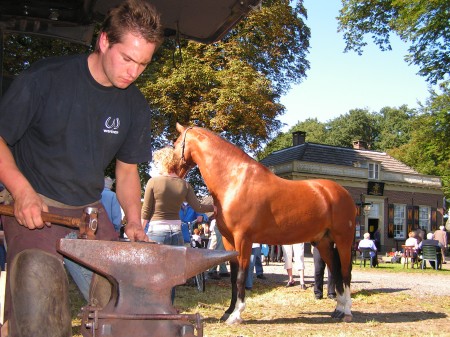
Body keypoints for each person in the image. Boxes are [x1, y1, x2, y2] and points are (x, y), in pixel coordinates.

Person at [0, 0, 163, 334]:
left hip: (88, 211)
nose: (133, 72)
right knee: (39, 295)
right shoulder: (43, 79)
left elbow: (127, 172)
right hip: (35, 204)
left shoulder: (135, 106)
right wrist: (22, 192)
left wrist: (133, 222)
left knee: (123, 300)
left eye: (142, 64)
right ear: (104, 41)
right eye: (127, 58)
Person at [141, 146, 215, 302]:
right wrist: (214, 207)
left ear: (162, 162)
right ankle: (169, 308)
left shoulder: (153, 182)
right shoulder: (185, 185)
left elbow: (146, 212)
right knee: (172, 274)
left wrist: (139, 233)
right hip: (177, 232)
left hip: (157, 232)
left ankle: (154, 308)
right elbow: (198, 207)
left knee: (154, 273)